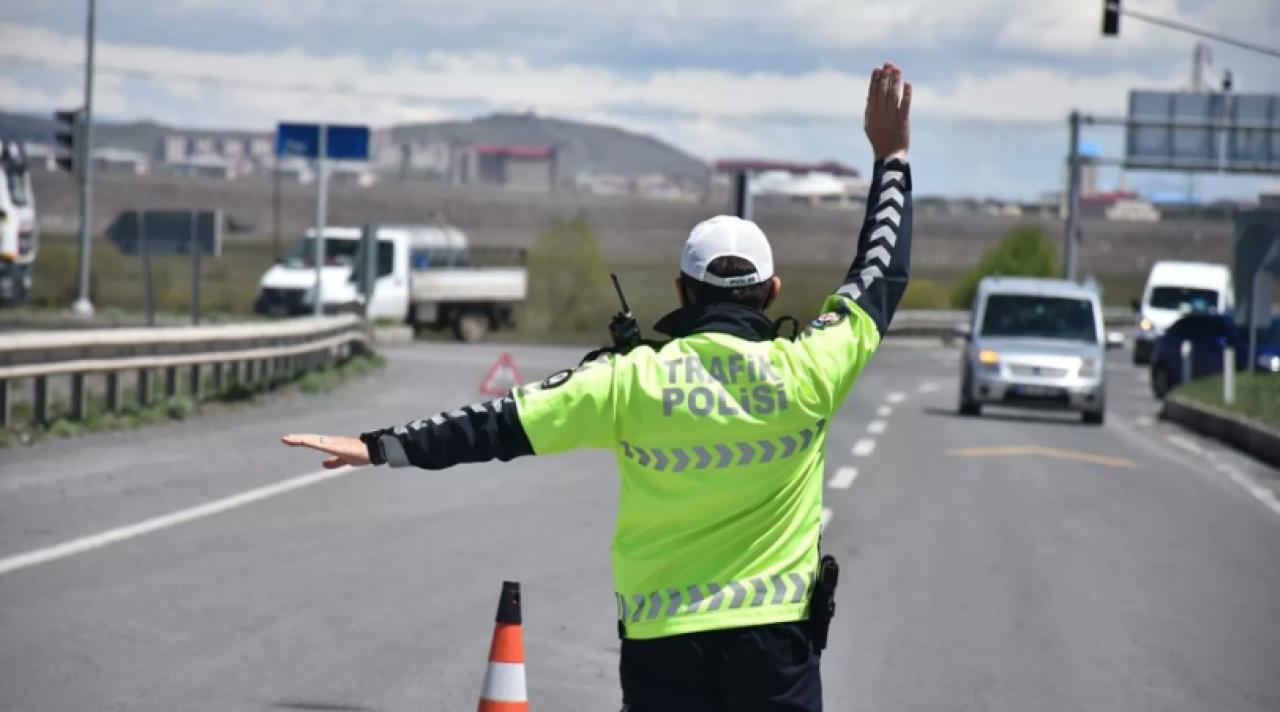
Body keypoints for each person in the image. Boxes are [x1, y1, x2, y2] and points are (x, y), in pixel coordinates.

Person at [283, 62, 913, 712]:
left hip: (663, 650)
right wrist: (891, 157)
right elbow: (880, 270)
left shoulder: (627, 381)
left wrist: (381, 445)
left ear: (680, 292)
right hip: (777, 652)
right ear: (772, 292)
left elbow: (497, 425)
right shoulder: (812, 369)